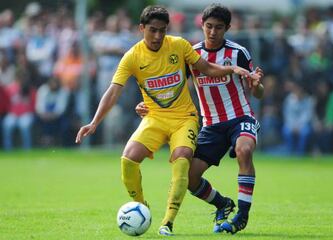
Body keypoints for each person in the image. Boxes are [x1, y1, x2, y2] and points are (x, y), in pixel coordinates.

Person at [75, 5, 260, 236]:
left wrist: (239, 72)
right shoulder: (134, 56)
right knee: (136, 162)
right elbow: (114, 90)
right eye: (152, 30)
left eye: (162, 31)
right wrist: (95, 122)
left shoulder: (185, 47)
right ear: (141, 28)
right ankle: (149, 207)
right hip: (176, 120)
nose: (158, 36)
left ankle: (172, 222)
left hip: (205, 118)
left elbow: (210, 69)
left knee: (199, 157)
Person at [135, 4, 264, 235]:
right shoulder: (190, 53)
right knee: (190, 177)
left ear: (228, 28)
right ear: (202, 25)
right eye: (209, 26)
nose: (213, 32)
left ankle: (242, 216)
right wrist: (149, 104)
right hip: (211, 124)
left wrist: (257, 87)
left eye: (219, 27)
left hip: (239, 117)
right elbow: (171, 85)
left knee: (244, 150)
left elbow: (258, 91)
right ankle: (222, 204)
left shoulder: (238, 53)